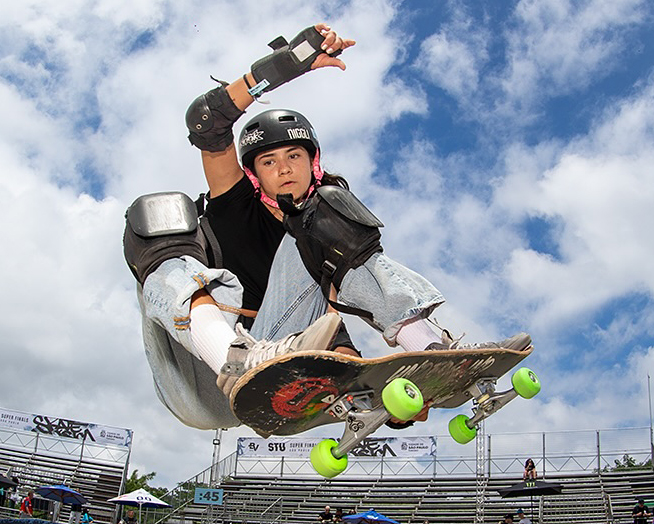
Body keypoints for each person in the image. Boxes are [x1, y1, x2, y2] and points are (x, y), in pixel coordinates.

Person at [124, 22, 531, 431]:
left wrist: (392, 397)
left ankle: (426, 344)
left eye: (293, 156)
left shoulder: (319, 239)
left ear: (311, 162)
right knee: (159, 215)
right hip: (194, 374)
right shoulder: (235, 202)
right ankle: (232, 354)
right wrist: (288, 64)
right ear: (254, 175)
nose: (283, 168)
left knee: (327, 215)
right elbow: (206, 120)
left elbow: (334, 344)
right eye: (269, 162)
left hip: (271, 374)